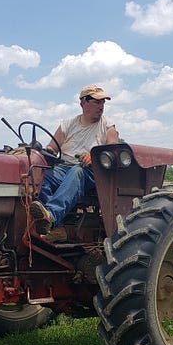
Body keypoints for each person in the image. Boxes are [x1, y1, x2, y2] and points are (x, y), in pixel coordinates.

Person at [30, 84, 119, 235]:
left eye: (103, 102)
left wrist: (95, 156)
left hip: (91, 172)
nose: (101, 106)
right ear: (83, 103)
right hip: (63, 168)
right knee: (41, 175)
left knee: (77, 171)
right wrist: (46, 152)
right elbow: (52, 147)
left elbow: (113, 152)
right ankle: (56, 227)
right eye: (97, 102)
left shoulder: (107, 126)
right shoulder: (68, 124)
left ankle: (52, 216)